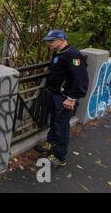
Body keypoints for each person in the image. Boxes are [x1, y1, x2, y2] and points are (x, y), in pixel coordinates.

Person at [34, 29, 89, 168]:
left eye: (51, 41)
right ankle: (51, 144)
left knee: (61, 126)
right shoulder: (57, 53)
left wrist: (72, 98)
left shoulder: (73, 54)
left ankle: (60, 156)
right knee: (53, 121)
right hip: (53, 94)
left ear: (62, 39)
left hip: (65, 98)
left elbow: (81, 80)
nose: (48, 43)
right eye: (47, 41)